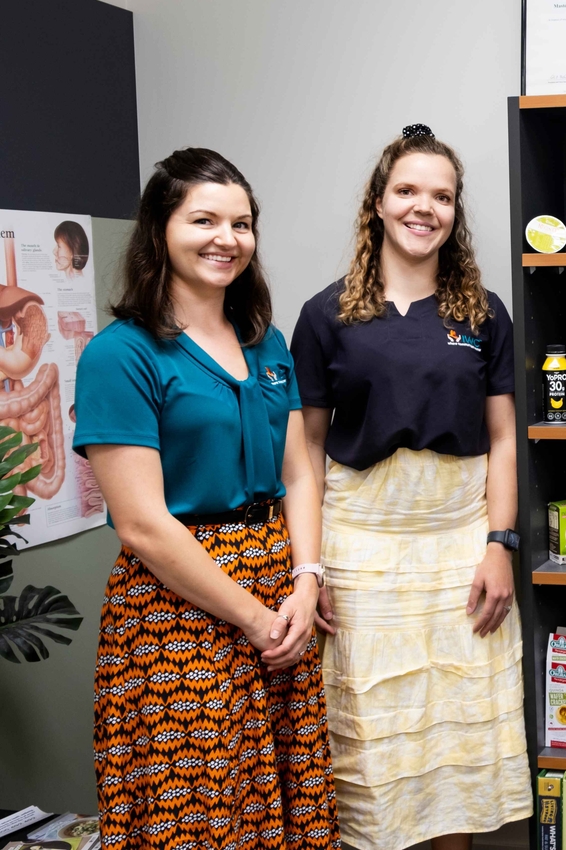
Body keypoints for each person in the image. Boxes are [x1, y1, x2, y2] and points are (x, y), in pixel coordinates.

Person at [75, 149, 340, 848]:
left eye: (242, 223)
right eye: (204, 219)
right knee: (196, 811)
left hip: (282, 598)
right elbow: (142, 525)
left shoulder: (266, 342)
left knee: (285, 802)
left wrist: (307, 581)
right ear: (160, 227)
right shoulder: (121, 354)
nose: (227, 238)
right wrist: (253, 619)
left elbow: (299, 474)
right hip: (179, 610)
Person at [291, 124, 529, 850]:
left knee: (451, 761)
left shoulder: (482, 314)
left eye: (443, 196)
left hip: (460, 547)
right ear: (378, 201)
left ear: (455, 213)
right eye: (408, 191)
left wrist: (500, 544)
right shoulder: (325, 315)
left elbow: (501, 440)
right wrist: (311, 565)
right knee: (376, 756)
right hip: (363, 553)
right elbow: (303, 454)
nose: (424, 208)